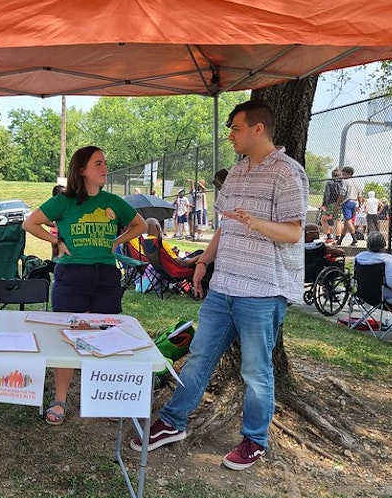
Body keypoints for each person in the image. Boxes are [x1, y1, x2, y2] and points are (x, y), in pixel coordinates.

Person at [131, 100, 308, 471]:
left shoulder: (288, 173)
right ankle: (173, 422)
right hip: (223, 286)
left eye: (236, 128)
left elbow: (294, 232)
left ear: (258, 129)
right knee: (198, 356)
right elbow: (227, 227)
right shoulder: (238, 172)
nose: (230, 136)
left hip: (263, 291)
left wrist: (255, 222)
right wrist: (203, 263)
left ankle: (255, 440)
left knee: (256, 371)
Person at [23, 145, 147, 425]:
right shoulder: (64, 201)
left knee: (107, 337)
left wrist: (116, 242)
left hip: (106, 277)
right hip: (71, 277)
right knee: (67, 336)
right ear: (81, 170)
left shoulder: (113, 202)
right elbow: (30, 223)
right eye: (98, 163)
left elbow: (140, 225)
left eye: (105, 163)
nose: (105, 168)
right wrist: (56, 241)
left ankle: (107, 397)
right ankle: (60, 399)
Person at [339, 166, 363, 245]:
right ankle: (340, 240)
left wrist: (338, 204)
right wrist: (359, 205)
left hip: (347, 202)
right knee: (346, 223)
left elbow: (342, 194)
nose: (342, 176)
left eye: (343, 174)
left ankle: (354, 238)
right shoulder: (356, 183)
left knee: (348, 221)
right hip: (354, 203)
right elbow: (360, 195)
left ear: (348, 174)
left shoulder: (345, 182)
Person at [319, 168, 344, 241]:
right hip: (340, 204)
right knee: (337, 220)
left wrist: (324, 204)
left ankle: (329, 235)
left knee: (323, 219)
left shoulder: (330, 182)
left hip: (331, 204)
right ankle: (338, 237)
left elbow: (327, 194)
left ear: (332, 175)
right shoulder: (343, 183)